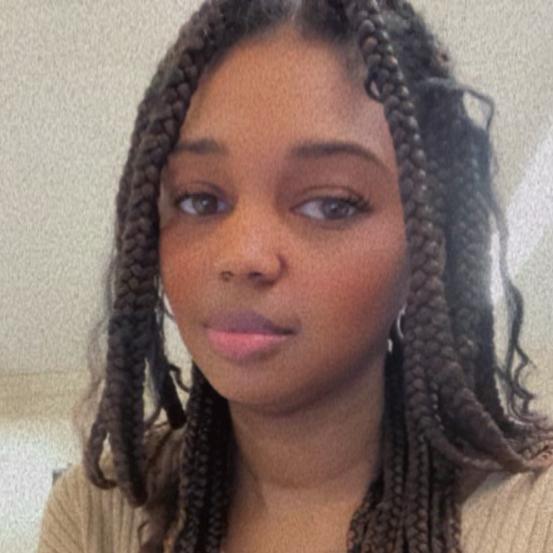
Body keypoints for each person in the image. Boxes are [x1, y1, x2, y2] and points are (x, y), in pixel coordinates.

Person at [37, 0, 553, 552]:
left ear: (430, 244)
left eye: (330, 204)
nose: (243, 256)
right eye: (199, 199)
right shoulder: (98, 513)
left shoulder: (535, 517)